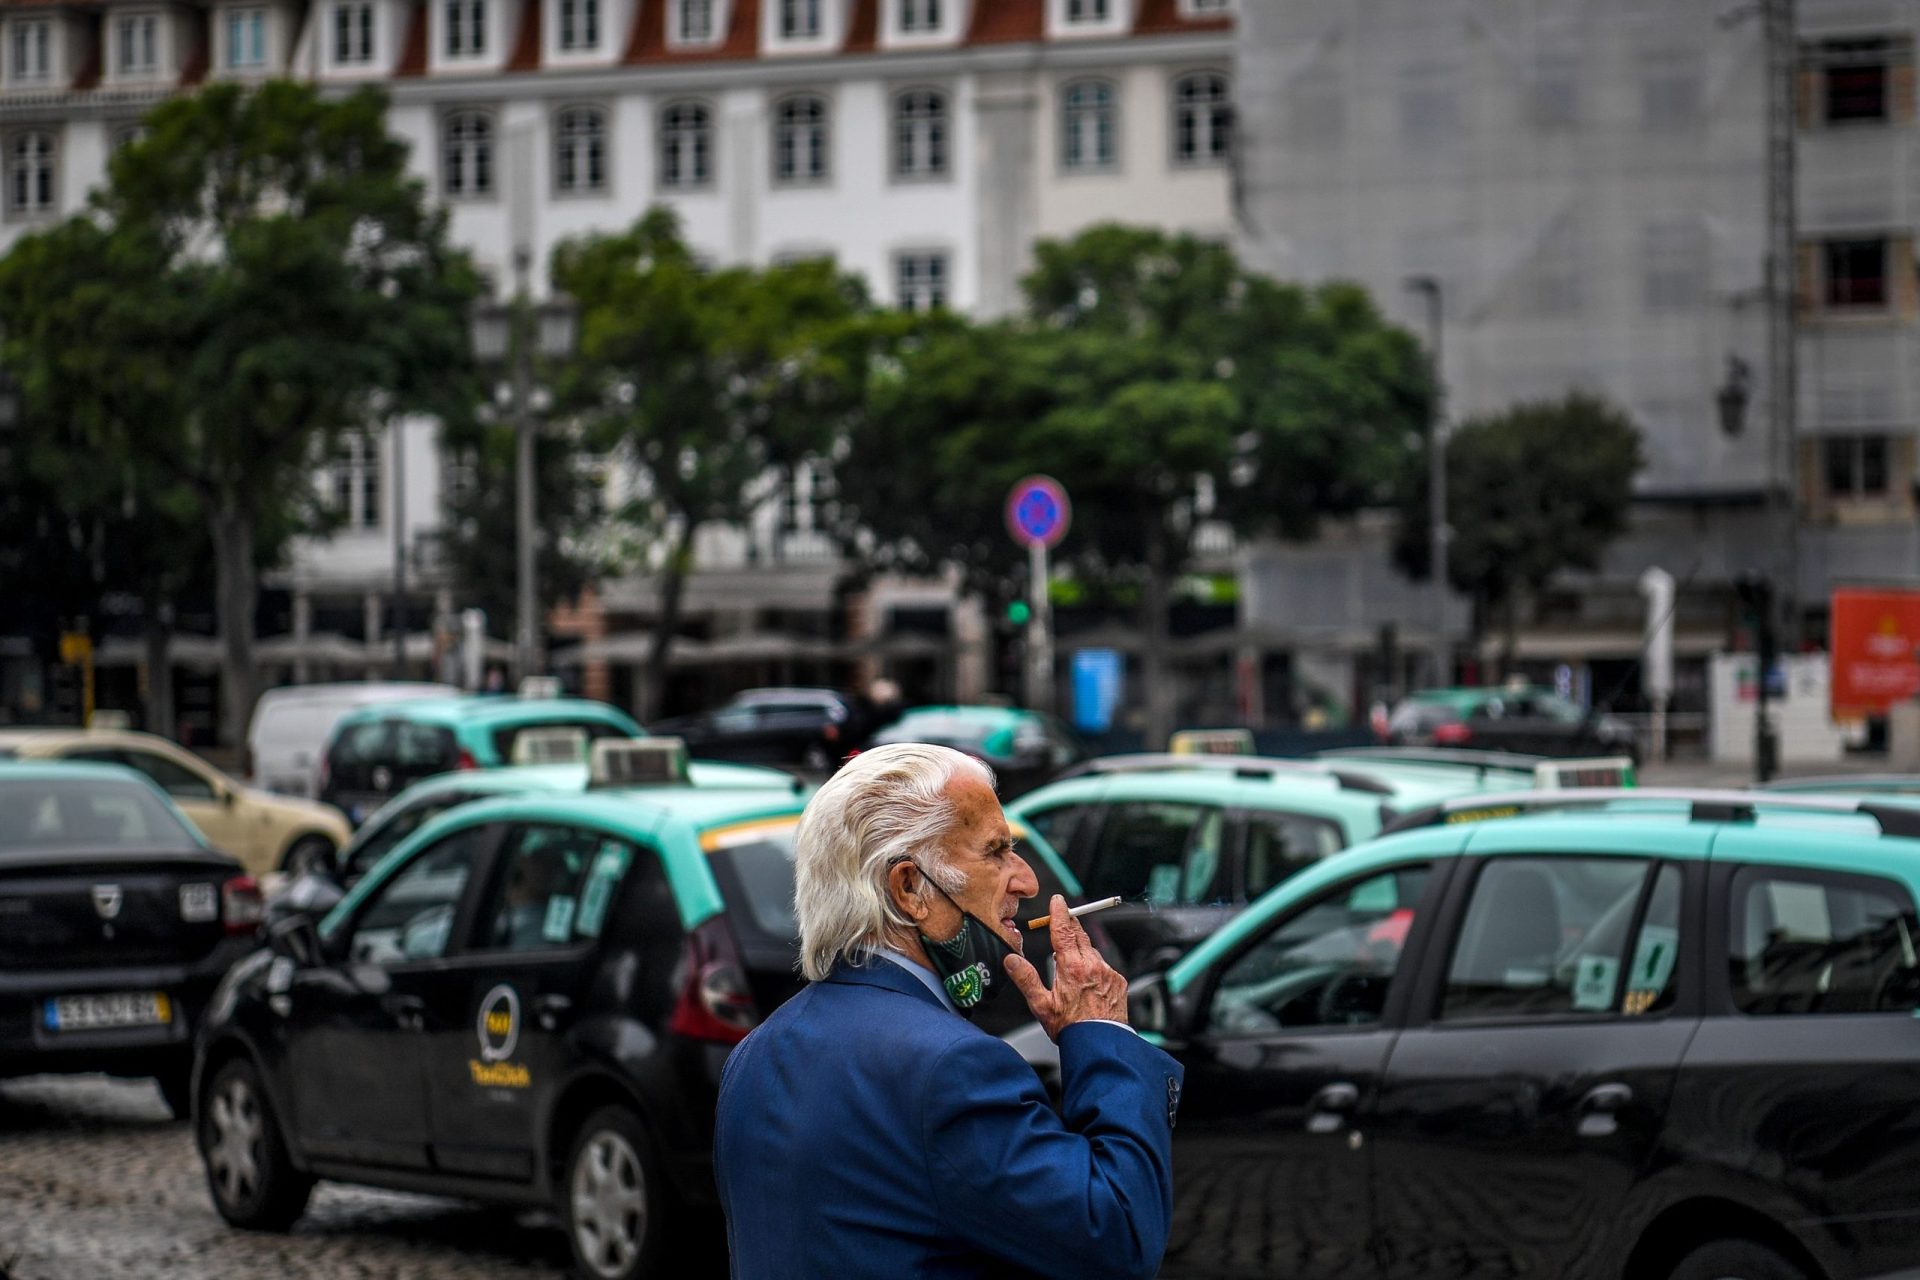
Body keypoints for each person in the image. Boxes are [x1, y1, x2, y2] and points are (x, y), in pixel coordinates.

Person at [714, 743, 1182, 1280]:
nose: (1027, 882)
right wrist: (1101, 1034)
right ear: (910, 888)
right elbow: (1118, 1237)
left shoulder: (754, 1053)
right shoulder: (954, 1068)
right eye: (995, 851)